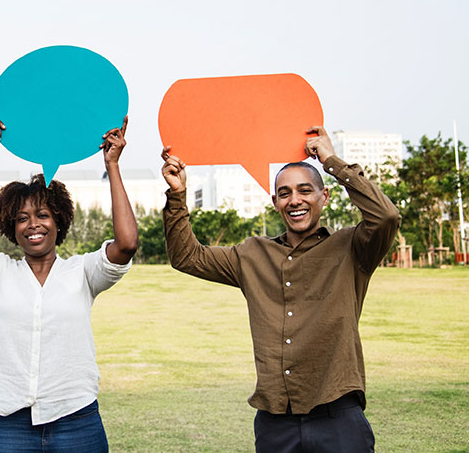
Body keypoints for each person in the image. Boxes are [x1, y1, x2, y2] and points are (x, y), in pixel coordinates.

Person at [161, 126, 400, 453]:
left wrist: (331, 161)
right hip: (275, 422)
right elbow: (187, 257)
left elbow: (386, 216)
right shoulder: (251, 255)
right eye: (285, 193)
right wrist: (177, 195)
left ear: (323, 197)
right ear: (275, 202)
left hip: (338, 415)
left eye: (305, 190)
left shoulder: (353, 248)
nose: (295, 200)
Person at [0, 102, 138, 452]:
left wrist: (112, 165)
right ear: (10, 228)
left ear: (58, 221)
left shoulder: (83, 273)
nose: (33, 224)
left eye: (43, 214)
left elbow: (126, 244)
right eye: (21, 218)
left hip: (76, 420)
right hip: (6, 424)